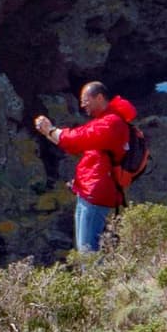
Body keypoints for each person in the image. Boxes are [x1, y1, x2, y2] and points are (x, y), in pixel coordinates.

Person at [33, 81, 138, 252]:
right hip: (90, 191)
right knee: (87, 248)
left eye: (85, 100)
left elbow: (77, 138)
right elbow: (75, 144)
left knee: (88, 251)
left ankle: (96, 279)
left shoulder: (110, 124)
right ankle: (98, 277)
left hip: (96, 194)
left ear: (99, 97)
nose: (82, 105)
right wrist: (48, 132)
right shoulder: (106, 120)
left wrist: (50, 130)